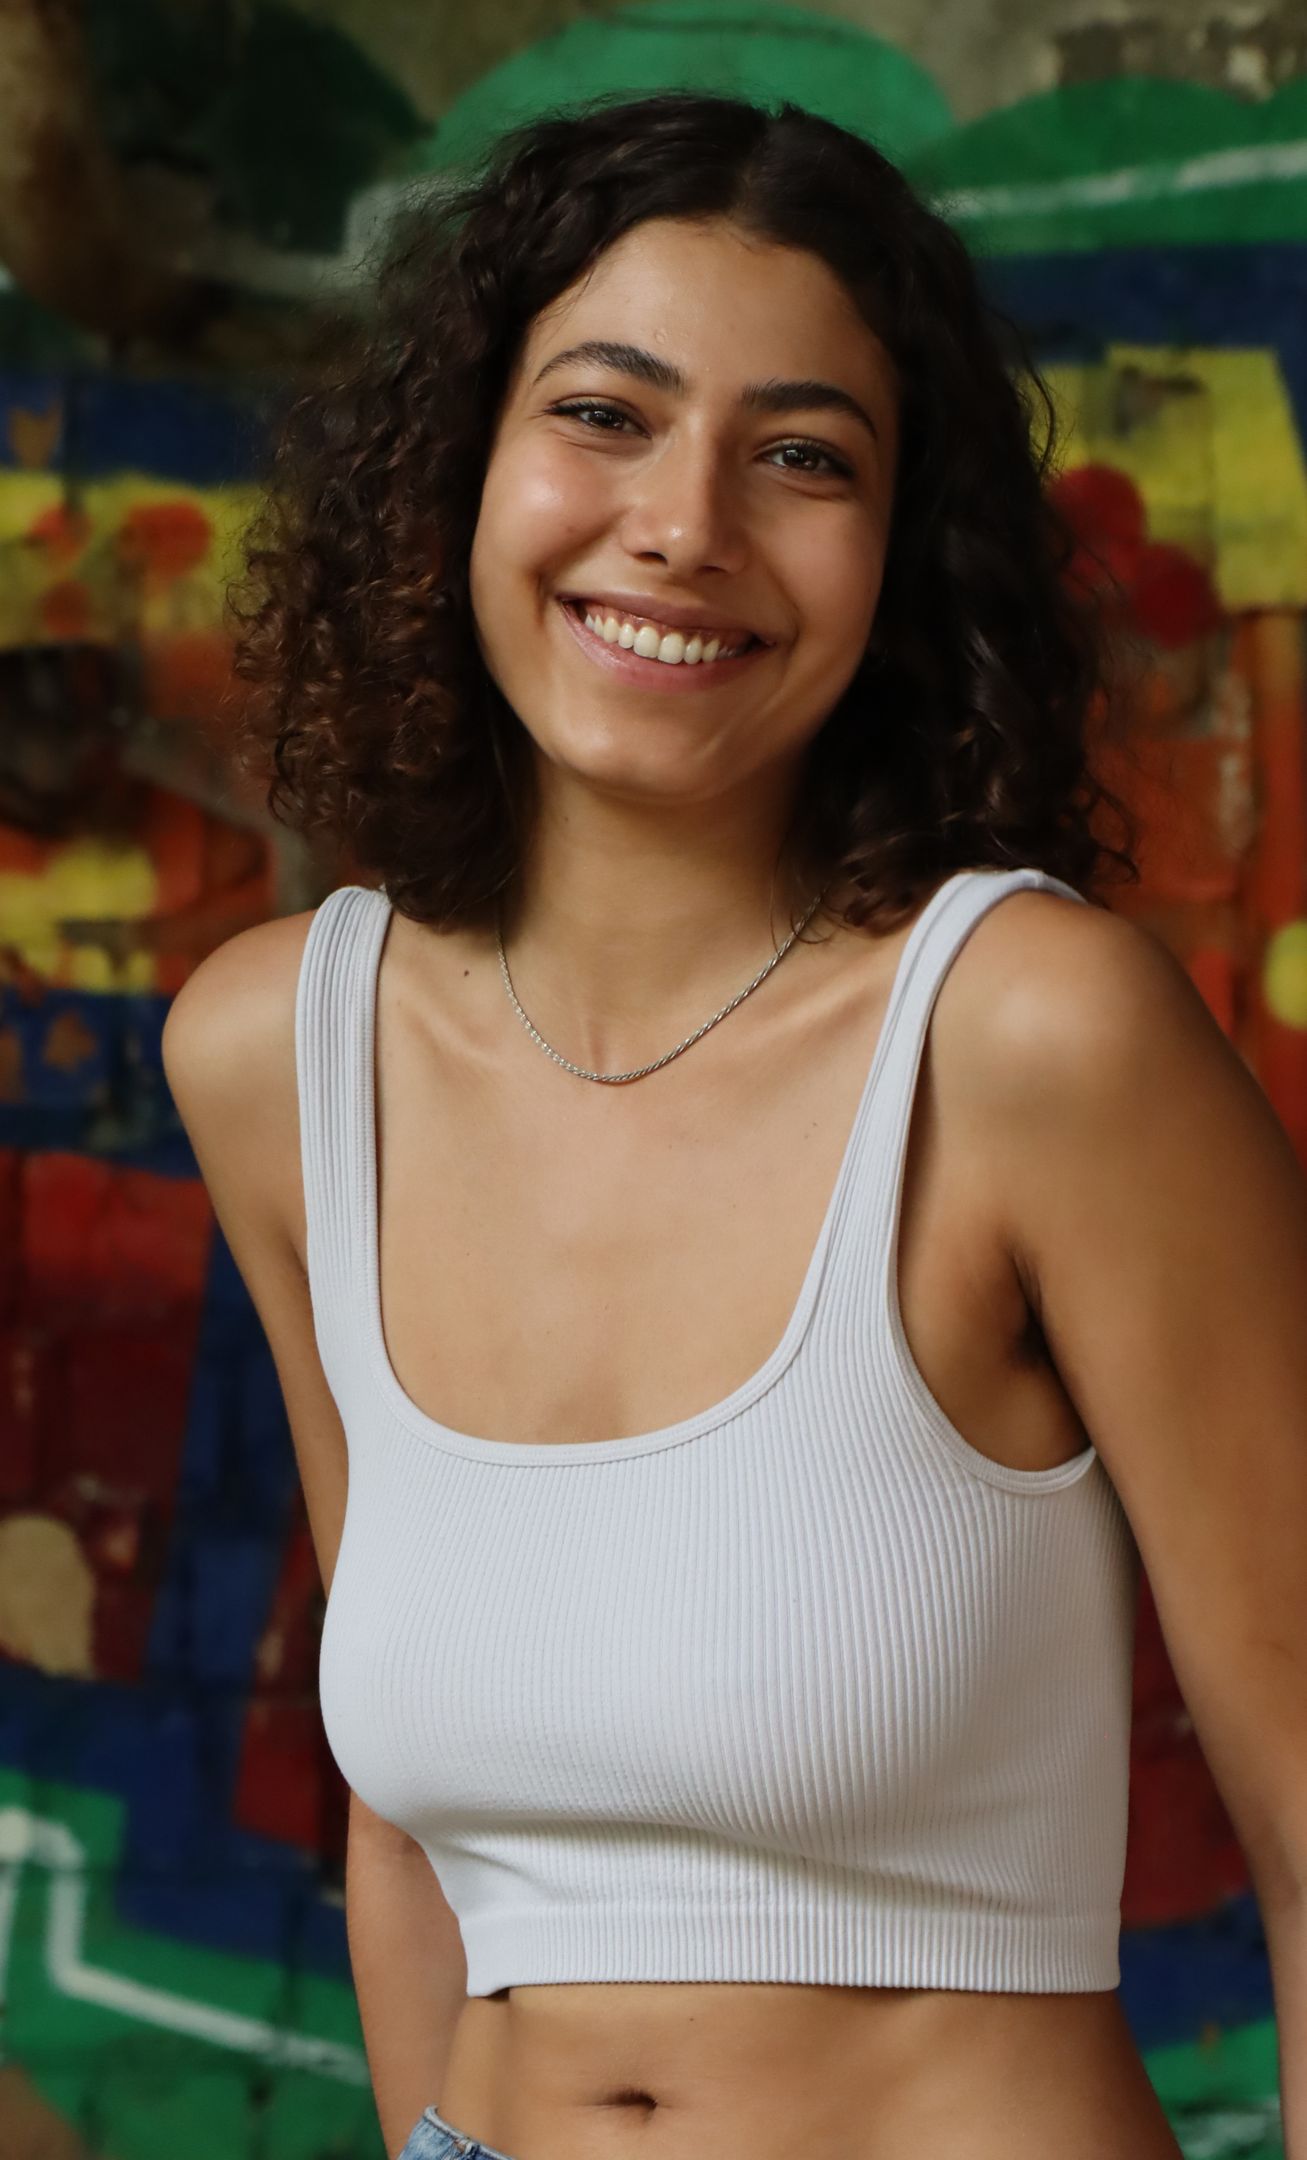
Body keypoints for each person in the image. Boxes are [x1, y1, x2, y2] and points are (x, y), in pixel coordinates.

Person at [162, 89, 1307, 2160]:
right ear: (460, 471)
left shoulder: (1032, 1040)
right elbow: (409, 1842)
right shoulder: (277, 1053)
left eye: (803, 455)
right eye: (604, 414)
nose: (686, 523)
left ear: (902, 555)